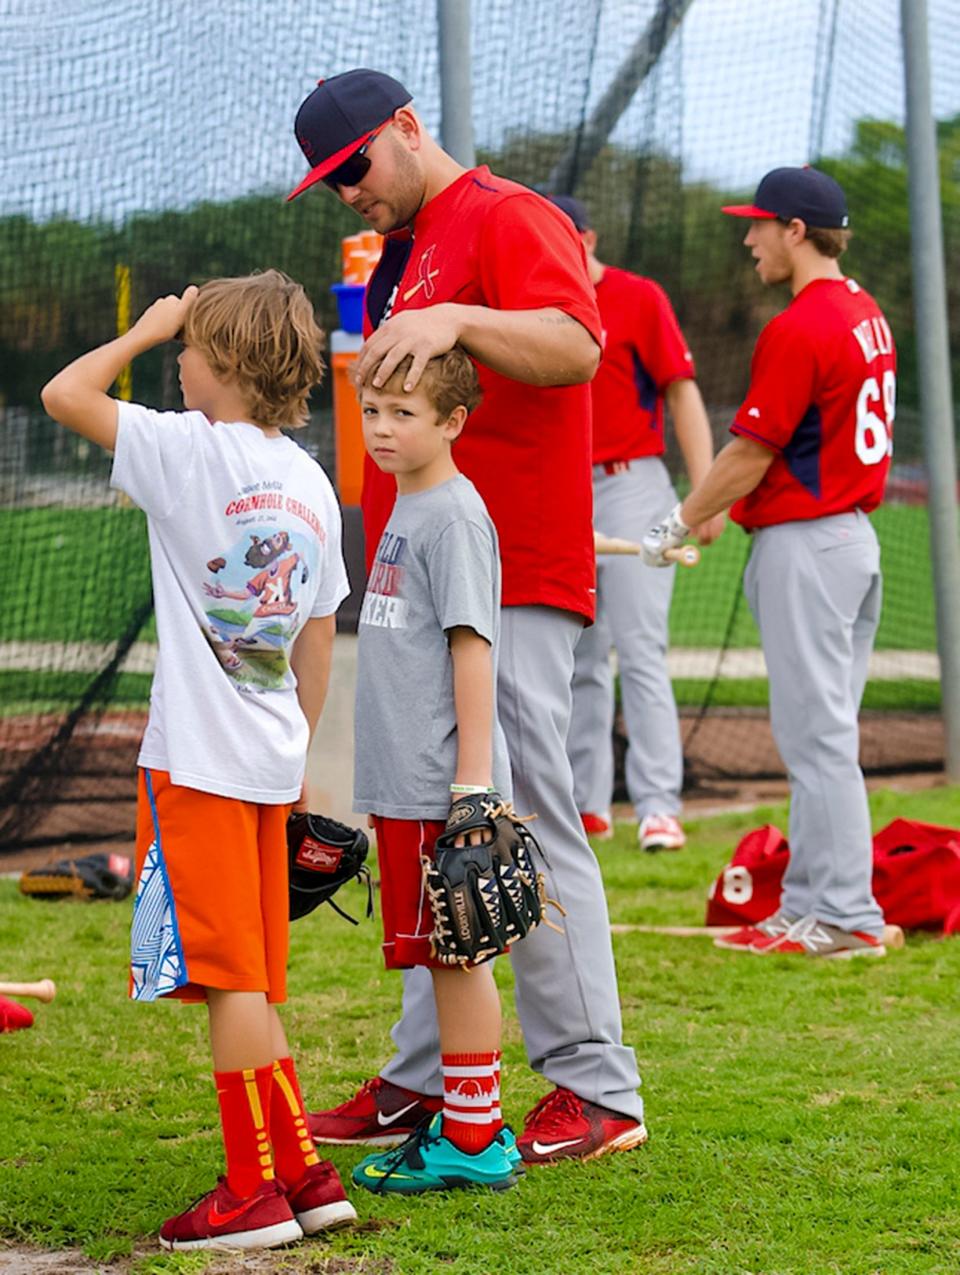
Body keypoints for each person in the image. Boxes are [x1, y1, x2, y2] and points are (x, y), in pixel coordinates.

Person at [288, 68, 647, 1163]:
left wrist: (458, 313)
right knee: (434, 826)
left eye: (354, 165)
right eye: (328, 182)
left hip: (515, 566)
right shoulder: (412, 246)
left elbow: (577, 347)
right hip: (423, 574)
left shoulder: (505, 215)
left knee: (519, 814)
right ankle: (423, 1081)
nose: (348, 191)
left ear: (406, 127)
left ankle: (598, 1090)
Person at [41, 271, 357, 1249]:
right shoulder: (309, 482)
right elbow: (314, 650)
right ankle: (303, 1172)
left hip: (198, 764)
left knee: (230, 981)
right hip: (268, 759)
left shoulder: (185, 450)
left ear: (222, 360)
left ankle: (251, 1193)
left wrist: (145, 326)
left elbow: (65, 394)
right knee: (251, 975)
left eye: (189, 346)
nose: (176, 359)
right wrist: (295, 756)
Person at [642, 166, 896, 958]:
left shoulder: (802, 324)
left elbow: (751, 452)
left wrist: (678, 517)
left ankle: (845, 913)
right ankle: (815, 904)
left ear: (796, 229)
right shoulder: (865, 310)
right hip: (848, 538)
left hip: (809, 543)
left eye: (759, 224)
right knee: (823, 735)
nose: (749, 238)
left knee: (819, 740)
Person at [348, 346, 519, 1194]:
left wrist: (471, 785)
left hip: (437, 779)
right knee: (443, 957)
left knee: (458, 956)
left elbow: (472, 648)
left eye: (402, 413)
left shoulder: (451, 514)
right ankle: (470, 1116)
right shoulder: (412, 503)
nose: (381, 428)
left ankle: (475, 1135)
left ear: (452, 422)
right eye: (372, 409)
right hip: (407, 777)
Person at [548, 195, 725, 851]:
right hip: (565, 490)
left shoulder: (638, 296)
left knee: (640, 647)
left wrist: (704, 494)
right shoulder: (537, 303)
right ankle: (587, 804)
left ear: (588, 237)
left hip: (632, 482)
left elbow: (682, 388)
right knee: (580, 652)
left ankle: (657, 805)